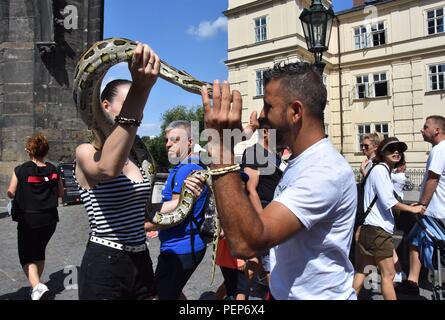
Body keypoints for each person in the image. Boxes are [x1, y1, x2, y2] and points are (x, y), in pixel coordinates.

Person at [200, 62, 358, 300]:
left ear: (295, 112)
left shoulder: (324, 171)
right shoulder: (300, 162)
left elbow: (246, 243)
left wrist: (221, 151)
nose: (262, 115)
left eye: (268, 106)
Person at [74, 44, 201, 300]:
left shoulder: (140, 157)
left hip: (140, 258)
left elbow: (143, 211)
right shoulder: (85, 151)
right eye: (130, 101)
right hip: (105, 261)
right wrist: (141, 89)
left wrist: (184, 199)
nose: (138, 108)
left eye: (139, 103)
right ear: (105, 107)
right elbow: (108, 168)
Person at [352, 137, 425, 300]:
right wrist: (412, 208)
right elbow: (388, 202)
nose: (396, 152)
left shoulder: (380, 170)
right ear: (382, 153)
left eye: (399, 150)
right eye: (391, 149)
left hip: (369, 229)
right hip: (377, 230)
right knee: (389, 275)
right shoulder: (380, 170)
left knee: (361, 272)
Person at [145, 120, 209, 300]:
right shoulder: (181, 168)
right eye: (167, 140)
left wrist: (146, 225)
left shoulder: (186, 170)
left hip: (181, 248)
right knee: (170, 292)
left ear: (189, 142)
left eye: (175, 139)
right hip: (176, 246)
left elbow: (176, 213)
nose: (168, 144)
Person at [7, 132, 64, 300]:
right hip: (50, 219)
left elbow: (10, 192)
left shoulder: (20, 170)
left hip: (29, 220)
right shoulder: (53, 170)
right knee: (39, 251)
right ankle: (36, 287)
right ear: (45, 151)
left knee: (26, 255)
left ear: (29, 151)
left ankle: (37, 286)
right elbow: (61, 193)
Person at [397, 115, 445, 295]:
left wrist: (422, 205)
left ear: (436, 131)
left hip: (435, 210)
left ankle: (413, 282)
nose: (422, 130)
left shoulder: (439, 150)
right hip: (438, 209)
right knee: (415, 240)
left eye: (425, 127)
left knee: (421, 242)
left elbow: (433, 178)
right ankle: (412, 281)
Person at [241, 121, 285, 299]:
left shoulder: (274, 154)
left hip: (275, 212)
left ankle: (229, 293)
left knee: (255, 264)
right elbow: (251, 190)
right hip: (265, 213)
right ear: (266, 132)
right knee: (270, 265)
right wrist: (263, 219)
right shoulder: (253, 153)